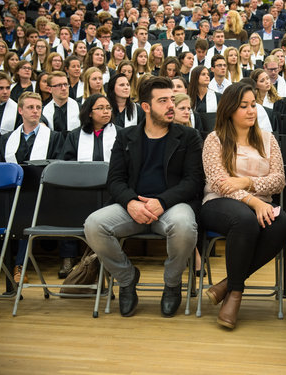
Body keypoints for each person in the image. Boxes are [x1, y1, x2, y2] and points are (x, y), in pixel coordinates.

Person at [84, 76, 204, 318]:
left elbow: (193, 181)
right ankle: (127, 278)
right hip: (133, 207)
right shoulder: (126, 137)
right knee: (94, 225)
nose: (171, 105)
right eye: (163, 101)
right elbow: (115, 180)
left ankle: (172, 283)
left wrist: (163, 202)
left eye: (172, 99)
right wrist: (131, 203)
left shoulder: (189, 136)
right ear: (146, 107)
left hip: (172, 206)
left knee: (184, 226)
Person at [200, 83, 286, 329]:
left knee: (283, 223)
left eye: (253, 105)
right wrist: (253, 200)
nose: (251, 110)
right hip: (219, 204)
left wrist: (247, 181)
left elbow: (279, 181)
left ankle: (228, 285)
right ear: (229, 109)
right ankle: (236, 295)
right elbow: (219, 183)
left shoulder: (268, 139)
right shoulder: (214, 139)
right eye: (244, 106)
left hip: (259, 205)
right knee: (245, 220)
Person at [0, 92, 64, 283]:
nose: (35, 111)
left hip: (41, 194)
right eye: (30, 107)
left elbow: (57, 168)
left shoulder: (54, 137)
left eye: (38, 107)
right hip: (12, 194)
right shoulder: (6, 139)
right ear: (20, 110)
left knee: (23, 215)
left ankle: (19, 265)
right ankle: (9, 264)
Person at [62, 94, 120, 162]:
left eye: (108, 108)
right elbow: (68, 163)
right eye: (100, 108)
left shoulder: (120, 133)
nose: (106, 112)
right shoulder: (74, 136)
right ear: (89, 113)